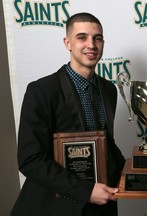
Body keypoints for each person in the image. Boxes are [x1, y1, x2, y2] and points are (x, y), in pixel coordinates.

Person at [11, 12, 125, 216]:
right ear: (68, 43)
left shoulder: (109, 90)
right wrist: (85, 191)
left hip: (101, 206)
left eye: (97, 38)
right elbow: (30, 159)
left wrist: (135, 172)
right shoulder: (42, 91)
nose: (91, 44)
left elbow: (105, 143)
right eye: (82, 37)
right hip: (55, 207)